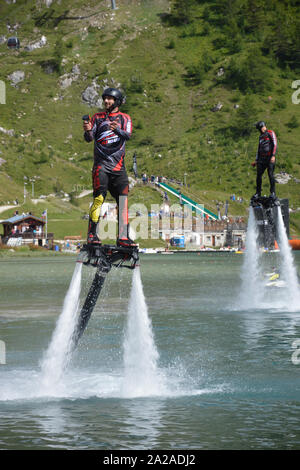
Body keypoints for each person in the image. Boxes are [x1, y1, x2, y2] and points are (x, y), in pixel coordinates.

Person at [83, 87, 136, 247]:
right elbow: (89, 138)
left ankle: (123, 238)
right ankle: (92, 235)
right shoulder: (97, 117)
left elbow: (128, 135)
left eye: (110, 99)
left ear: (117, 101)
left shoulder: (125, 118)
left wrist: (117, 129)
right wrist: (87, 130)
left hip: (119, 168)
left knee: (123, 202)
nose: (106, 101)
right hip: (101, 166)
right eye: (105, 98)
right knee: (99, 199)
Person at [251, 121, 278, 199]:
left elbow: (275, 144)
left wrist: (273, 155)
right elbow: (259, 149)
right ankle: (258, 193)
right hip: (261, 159)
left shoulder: (270, 133)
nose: (262, 129)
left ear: (264, 126)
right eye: (260, 129)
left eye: (262, 127)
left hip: (270, 158)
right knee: (258, 175)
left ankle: (273, 192)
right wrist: (256, 160)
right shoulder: (260, 137)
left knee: (270, 174)